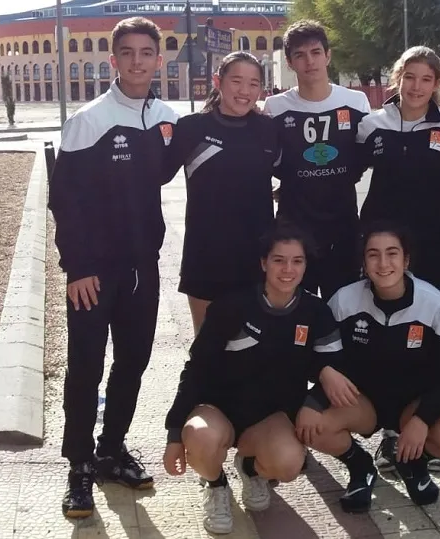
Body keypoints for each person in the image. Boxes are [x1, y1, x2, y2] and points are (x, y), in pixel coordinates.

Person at [48, 16, 179, 519]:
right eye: (127, 53)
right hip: (93, 272)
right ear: (114, 60)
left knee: (133, 361)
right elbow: (66, 200)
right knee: (86, 366)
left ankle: (111, 450)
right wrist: (78, 266)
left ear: (158, 60)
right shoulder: (89, 120)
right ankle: (79, 465)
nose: (137, 61)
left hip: (142, 266)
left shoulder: (166, 118)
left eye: (146, 53)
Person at [162, 219, 359, 534]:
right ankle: (215, 484)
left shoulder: (316, 311)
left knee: (290, 462)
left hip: (270, 419)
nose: (288, 269)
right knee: (199, 436)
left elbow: (333, 364)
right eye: (279, 260)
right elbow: (197, 368)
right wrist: (174, 432)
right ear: (264, 263)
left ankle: (250, 469)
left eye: (297, 261)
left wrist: (314, 400)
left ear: (306, 265)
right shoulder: (231, 307)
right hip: (218, 410)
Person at [298, 221, 440, 513]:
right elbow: (314, 354)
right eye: (373, 254)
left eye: (392, 253)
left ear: (406, 260)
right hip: (362, 403)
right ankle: (360, 467)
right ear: (363, 262)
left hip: (413, 404)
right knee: (309, 422)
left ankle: (412, 461)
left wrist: (422, 419)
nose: (383, 263)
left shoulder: (433, 304)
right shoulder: (344, 301)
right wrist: (322, 374)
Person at [355, 46, 440, 474]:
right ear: (397, 78)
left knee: (429, 336)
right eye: (410, 77)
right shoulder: (373, 124)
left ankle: (427, 425)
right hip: (385, 253)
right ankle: (391, 431)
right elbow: (344, 174)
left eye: (426, 79)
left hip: (435, 249)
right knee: (389, 338)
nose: (417, 86)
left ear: (437, 84)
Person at [165, 51, 279, 333]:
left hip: (256, 257)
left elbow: (293, 175)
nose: (245, 91)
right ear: (218, 81)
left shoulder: (268, 129)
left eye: (253, 84)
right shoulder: (191, 128)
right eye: (236, 81)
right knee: (207, 346)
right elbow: (154, 175)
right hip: (206, 255)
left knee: (255, 345)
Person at [262, 19, 372, 301]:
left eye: (315, 52)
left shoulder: (356, 102)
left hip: (343, 226)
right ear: (289, 63)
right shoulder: (275, 107)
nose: (309, 61)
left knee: (344, 308)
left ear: (328, 56)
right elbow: (266, 160)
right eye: (300, 55)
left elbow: (365, 158)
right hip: (294, 228)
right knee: (296, 310)